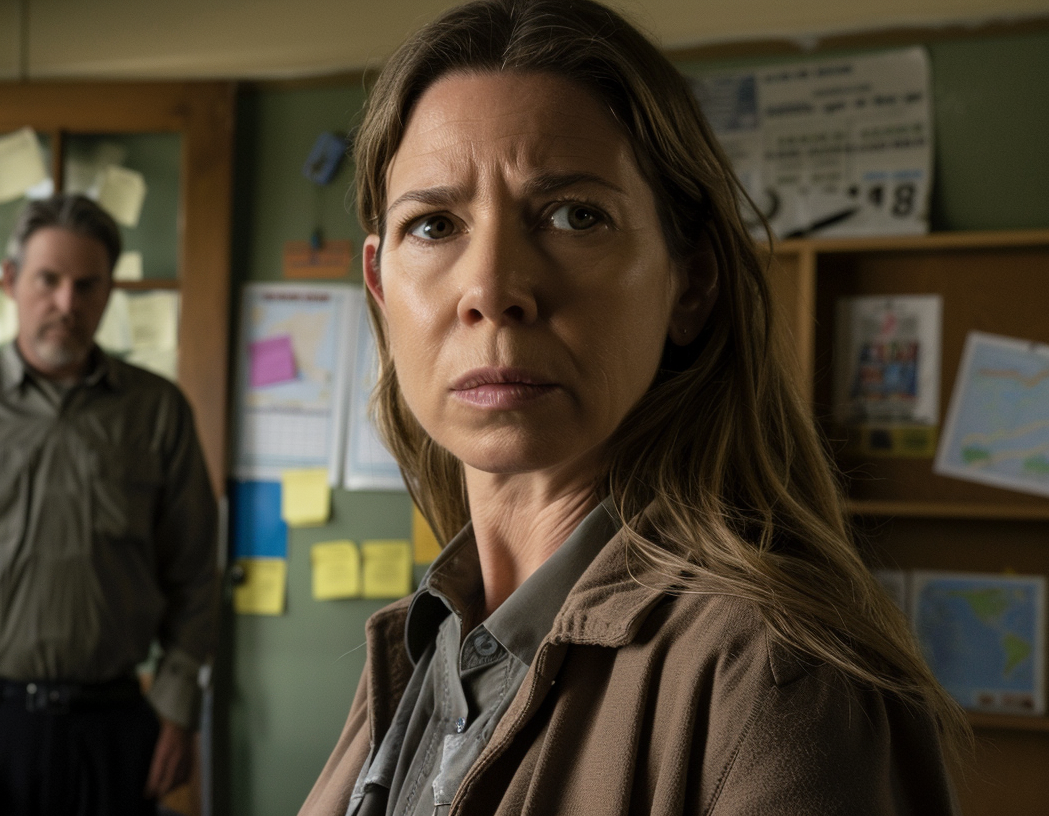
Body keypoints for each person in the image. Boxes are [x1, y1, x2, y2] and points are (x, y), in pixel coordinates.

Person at [300, 2, 967, 814]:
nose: (493, 290)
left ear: (691, 282)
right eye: (434, 225)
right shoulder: (421, 646)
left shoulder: (775, 677)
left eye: (575, 215)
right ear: (379, 284)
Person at [0, 194, 218, 816]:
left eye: (87, 285)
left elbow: (195, 571)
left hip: (118, 727)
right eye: (49, 280)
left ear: (109, 291)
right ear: (12, 281)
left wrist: (175, 705)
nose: (67, 303)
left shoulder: (156, 411)